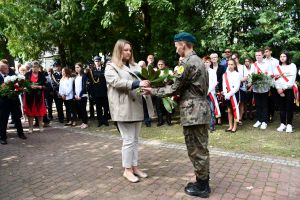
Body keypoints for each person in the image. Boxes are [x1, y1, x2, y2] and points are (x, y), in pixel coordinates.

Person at [143, 32, 211, 198]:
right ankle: (202, 181)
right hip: (200, 109)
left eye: (176, 47)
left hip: (193, 112)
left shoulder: (187, 62)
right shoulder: (199, 61)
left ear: (183, 44)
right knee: (200, 147)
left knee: (196, 149)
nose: (176, 51)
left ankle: (202, 187)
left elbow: (174, 88)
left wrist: (153, 91)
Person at [104, 39, 154, 183]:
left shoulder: (134, 66)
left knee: (135, 140)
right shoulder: (110, 67)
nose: (129, 52)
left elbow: (144, 80)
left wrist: (149, 83)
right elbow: (116, 83)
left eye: (130, 50)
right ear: (118, 50)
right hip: (123, 108)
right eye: (125, 50)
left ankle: (134, 166)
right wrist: (138, 83)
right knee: (128, 140)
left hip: (137, 106)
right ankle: (127, 170)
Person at [0, 60, 27, 144]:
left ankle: (21, 133)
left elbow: (18, 83)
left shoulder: (12, 74)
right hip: (3, 101)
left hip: (13, 100)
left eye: (7, 68)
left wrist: (18, 88)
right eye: (5, 68)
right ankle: (2, 137)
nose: (7, 69)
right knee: (3, 119)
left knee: (17, 118)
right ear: (1, 69)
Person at [273, 51, 297, 133]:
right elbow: (275, 79)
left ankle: (289, 124)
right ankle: (283, 123)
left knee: (289, 107)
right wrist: (278, 89)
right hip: (279, 90)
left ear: (287, 57)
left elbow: (292, 79)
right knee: (281, 107)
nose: (282, 58)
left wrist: (283, 89)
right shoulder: (277, 67)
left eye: (284, 56)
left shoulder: (292, 66)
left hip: (289, 89)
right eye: (281, 56)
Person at [250, 49, 272, 130]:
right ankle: (259, 120)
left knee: (264, 105)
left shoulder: (267, 64)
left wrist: (263, 77)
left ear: (263, 55)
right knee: (258, 105)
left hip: (264, 88)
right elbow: (251, 75)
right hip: (256, 88)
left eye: (259, 55)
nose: (257, 57)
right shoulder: (253, 65)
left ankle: (264, 121)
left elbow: (270, 74)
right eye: (256, 55)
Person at [23, 61, 47, 133]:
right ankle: (30, 127)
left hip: (39, 96)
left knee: (40, 112)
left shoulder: (42, 75)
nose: (35, 68)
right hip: (29, 96)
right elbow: (24, 84)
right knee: (30, 112)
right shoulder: (27, 74)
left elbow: (46, 86)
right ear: (31, 67)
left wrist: (39, 87)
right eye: (33, 67)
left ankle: (40, 126)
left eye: (36, 67)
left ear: (39, 68)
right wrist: (29, 86)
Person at [87, 56, 109, 127]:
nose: (97, 62)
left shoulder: (104, 69)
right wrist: (91, 93)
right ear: (94, 62)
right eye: (96, 61)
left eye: (98, 61)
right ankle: (100, 121)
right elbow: (90, 82)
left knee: (106, 107)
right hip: (96, 92)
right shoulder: (91, 71)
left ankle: (105, 120)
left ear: (100, 62)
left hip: (104, 91)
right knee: (98, 107)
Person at [223, 59, 241, 132]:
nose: (230, 66)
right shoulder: (225, 74)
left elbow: (237, 87)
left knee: (234, 109)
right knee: (229, 110)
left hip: (234, 95)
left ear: (234, 65)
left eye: (231, 64)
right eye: (229, 64)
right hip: (227, 95)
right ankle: (230, 126)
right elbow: (224, 85)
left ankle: (234, 126)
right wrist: (225, 93)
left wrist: (230, 94)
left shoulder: (237, 74)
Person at [203, 56, 219, 132]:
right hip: (202, 93)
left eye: (207, 62)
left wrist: (208, 90)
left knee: (212, 109)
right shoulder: (200, 71)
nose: (206, 63)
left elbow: (214, 82)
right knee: (203, 110)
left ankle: (211, 125)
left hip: (210, 93)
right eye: (205, 62)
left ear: (210, 63)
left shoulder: (212, 71)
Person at [264, 47, 280, 123]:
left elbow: (278, 71)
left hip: (273, 83)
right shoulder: (263, 61)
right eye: (265, 52)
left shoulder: (276, 61)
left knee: (272, 101)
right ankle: (266, 115)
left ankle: (271, 115)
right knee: (265, 100)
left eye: (267, 51)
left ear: (271, 52)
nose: (266, 53)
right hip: (265, 83)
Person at [155, 60, 173, 126]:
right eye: (159, 64)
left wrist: (166, 83)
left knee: (168, 106)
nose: (160, 65)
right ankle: (160, 121)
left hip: (167, 91)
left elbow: (172, 79)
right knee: (158, 107)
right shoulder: (155, 72)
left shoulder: (169, 71)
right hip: (158, 91)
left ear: (164, 65)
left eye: (161, 64)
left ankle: (169, 121)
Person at [210, 53, 226, 125]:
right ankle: (214, 118)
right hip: (211, 88)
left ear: (217, 58)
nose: (214, 59)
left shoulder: (222, 67)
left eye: (215, 57)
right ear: (210, 59)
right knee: (212, 103)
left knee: (220, 103)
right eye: (212, 58)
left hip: (220, 87)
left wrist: (217, 82)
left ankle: (220, 118)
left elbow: (223, 77)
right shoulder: (209, 67)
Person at [74, 63, 88, 129]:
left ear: (81, 68)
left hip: (83, 96)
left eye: (78, 67)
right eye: (76, 67)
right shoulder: (76, 76)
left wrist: (80, 95)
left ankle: (85, 123)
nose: (76, 69)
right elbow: (75, 87)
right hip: (77, 96)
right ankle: (83, 122)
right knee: (80, 110)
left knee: (83, 110)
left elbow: (84, 87)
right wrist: (75, 95)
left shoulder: (84, 76)